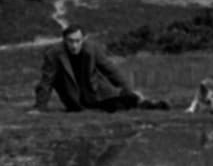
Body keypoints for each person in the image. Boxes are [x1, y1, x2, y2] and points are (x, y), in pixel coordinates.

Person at [30, 25, 167, 113]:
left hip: (96, 92)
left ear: (83, 39)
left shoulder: (92, 49)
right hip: (74, 100)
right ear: (64, 40)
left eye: (78, 41)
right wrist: (39, 107)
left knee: (120, 103)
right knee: (111, 107)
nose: (74, 45)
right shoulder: (53, 54)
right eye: (70, 41)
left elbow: (111, 71)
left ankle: (145, 103)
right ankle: (140, 102)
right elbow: (46, 82)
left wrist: (129, 90)